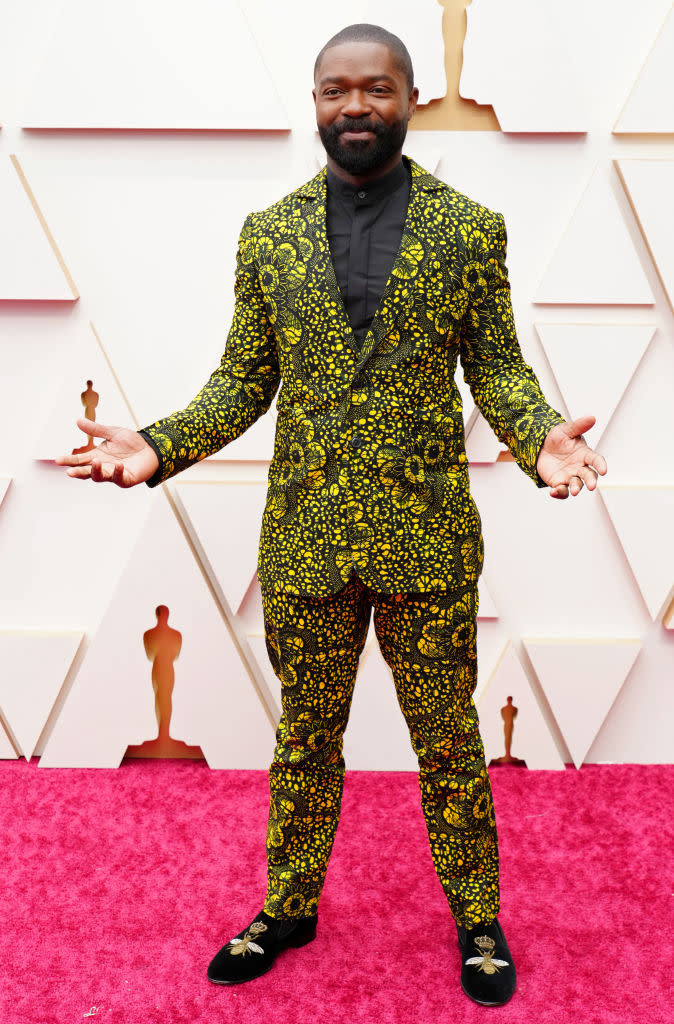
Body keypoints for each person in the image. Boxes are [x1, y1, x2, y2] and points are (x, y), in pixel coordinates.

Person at [56, 23, 607, 1008]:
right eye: (333, 91)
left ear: (407, 97)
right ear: (314, 102)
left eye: (374, 89)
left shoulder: (469, 230)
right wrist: (156, 444)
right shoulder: (266, 235)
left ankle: (477, 915)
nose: (353, 107)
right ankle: (288, 903)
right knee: (303, 738)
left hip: (425, 542)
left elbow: (497, 371)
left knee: (445, 740)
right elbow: (240, 380)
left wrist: (539, 444)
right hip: (305, 541)